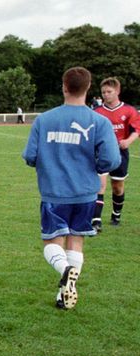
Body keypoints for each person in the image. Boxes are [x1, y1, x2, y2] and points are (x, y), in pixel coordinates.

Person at [22, 67, 120, 310]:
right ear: (88, 88)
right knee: (76, 241)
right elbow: (111, 160)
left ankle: (65, 270)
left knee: (52, 243)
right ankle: (63, 294)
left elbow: (30, 156)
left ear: (64, 86)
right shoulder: (100, 121)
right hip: (86, 193)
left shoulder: (44, 120)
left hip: (55, 192)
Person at [90, 77, 140, 232]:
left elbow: (136, 130)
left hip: (120, 152)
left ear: (117, 91)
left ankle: (116, 214)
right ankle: (96, 221)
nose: (106, 95)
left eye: (109, 92)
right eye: (103, 92)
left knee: (117, 187)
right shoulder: (97, 112)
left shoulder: (129, 110)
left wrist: (128, 141)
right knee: (100, 185)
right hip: (101, 152)